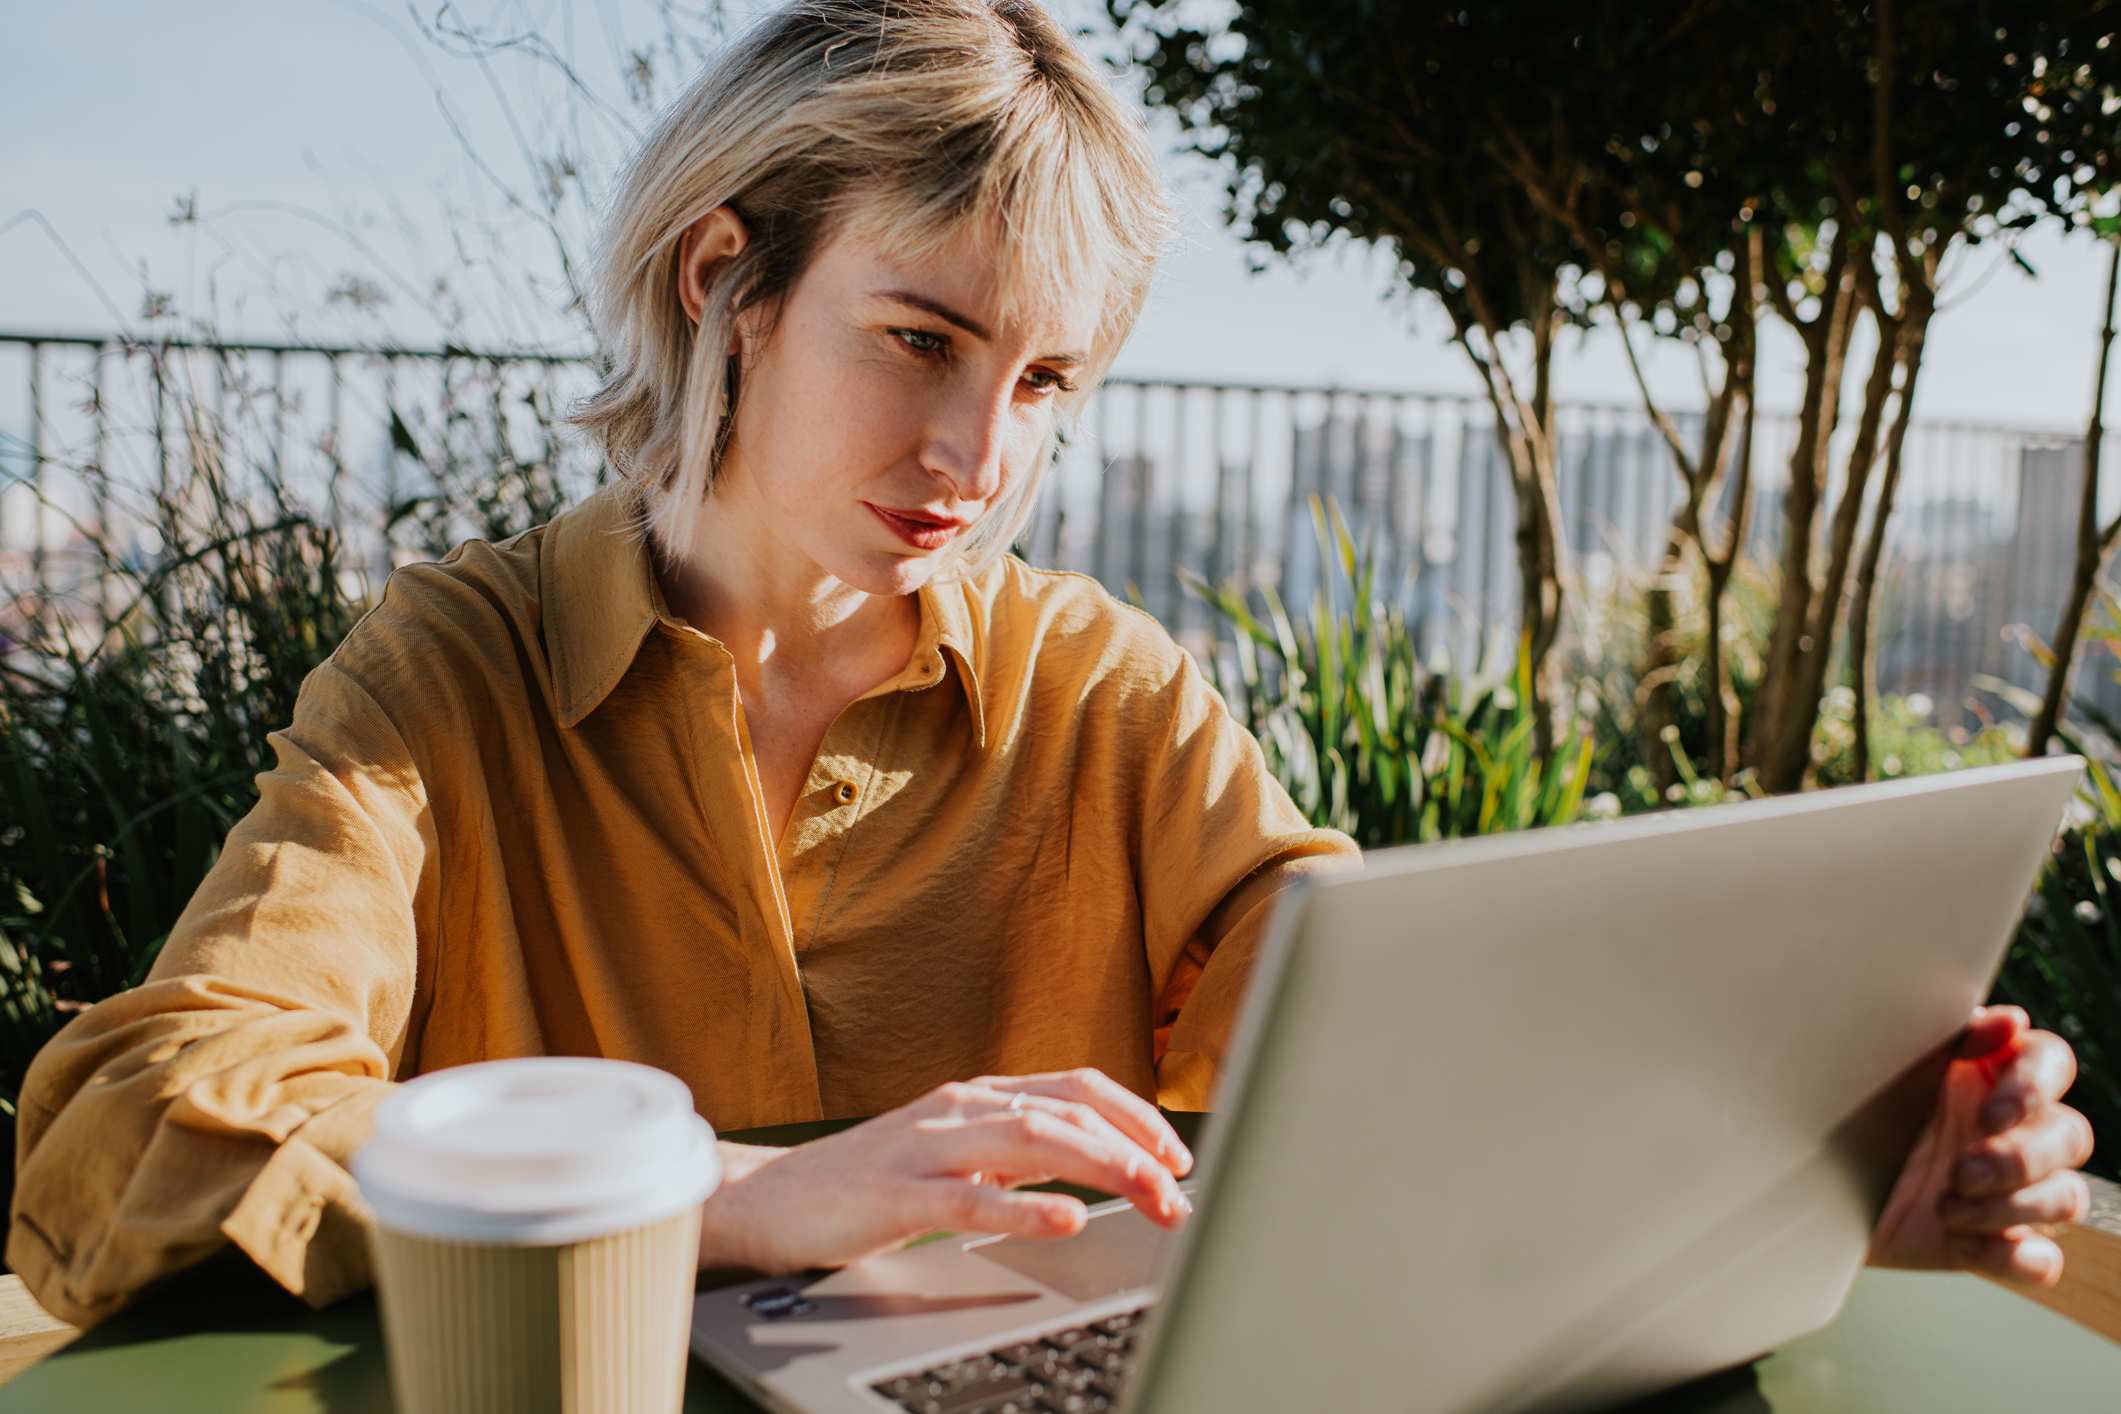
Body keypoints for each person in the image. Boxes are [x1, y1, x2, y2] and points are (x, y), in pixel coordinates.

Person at [8, 0, 2093, 1334]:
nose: (976, 456)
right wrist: (721, 1192)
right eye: (918, 340)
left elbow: (1408, 1064)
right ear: (720, 280)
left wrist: (1803, 1174)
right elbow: (132, 1127)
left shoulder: (1104, 688)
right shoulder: (452, 675)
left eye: (1043, 380)